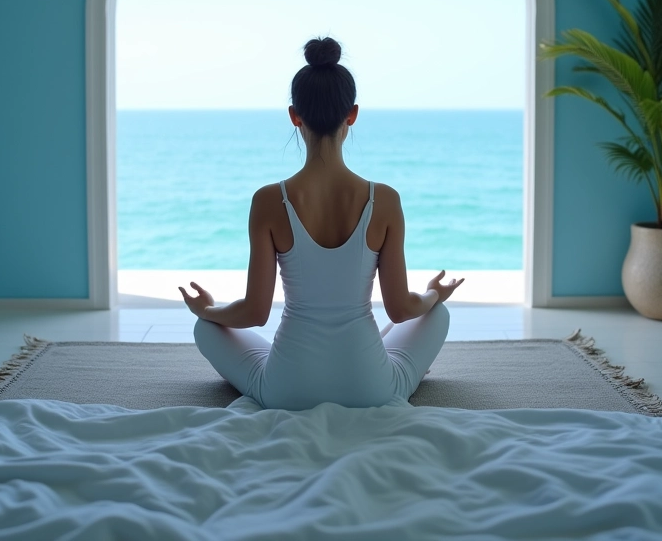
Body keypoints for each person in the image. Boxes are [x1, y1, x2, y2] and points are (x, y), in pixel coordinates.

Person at [179, 37, 464, 410]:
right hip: (372, 388)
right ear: (353, 113)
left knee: (206, 329)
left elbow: (254, 312)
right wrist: (433, 294)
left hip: (286, 389)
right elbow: (400, 308)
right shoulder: (386, 200)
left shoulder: (268, 200)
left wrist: (208, 310)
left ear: (294, 115)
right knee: (436, 315)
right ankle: (386, 357)